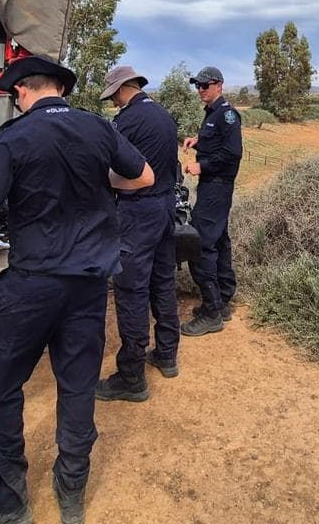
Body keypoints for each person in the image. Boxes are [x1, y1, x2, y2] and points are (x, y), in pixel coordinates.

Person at [0, 55, 154, 524]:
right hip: (87, 287)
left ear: (24, 90)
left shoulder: (14, 138)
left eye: (14, 94)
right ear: (60, 89)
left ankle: (7, 505)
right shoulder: (98, 129)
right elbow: (143, 176)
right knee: (78, 385)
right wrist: (93, 177)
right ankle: (71, 496)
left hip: (32, 287)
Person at [94, 66, 182, 403]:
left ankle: (131, 377)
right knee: (163, 281)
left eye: (113, 96)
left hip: (136, 212)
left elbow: (111, 165)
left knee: (131, 289)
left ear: (119, 91)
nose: (114, 102)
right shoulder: (163, 115)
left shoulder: (127, 121)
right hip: (164, 208)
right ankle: (167, 353)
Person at [180, 66, 242, 337]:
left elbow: (231, 155)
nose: (200, 90)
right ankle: (224, 299)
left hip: (216, 187)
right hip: (213, 188)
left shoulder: (227, 114)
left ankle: (212, 311)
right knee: (219, 241)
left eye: (205, 85)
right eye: (198, 85)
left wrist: (201, 167)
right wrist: (198, 141)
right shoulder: (213, 113)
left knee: (201, 244)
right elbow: (215, 142)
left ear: (219, 85)